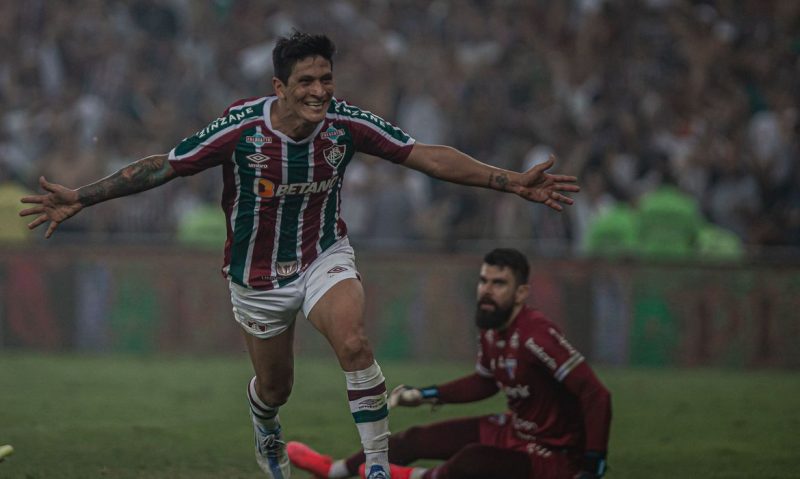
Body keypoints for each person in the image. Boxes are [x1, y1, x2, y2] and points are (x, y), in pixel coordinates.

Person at [19, 32, 580, 479]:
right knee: (276, 387)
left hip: (322, 256)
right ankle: (265, 420)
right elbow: (163, 165)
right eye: (306, 81)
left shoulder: (345, 126)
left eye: (326, 80)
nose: (319, 91)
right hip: (256, 278)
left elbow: (424, 155)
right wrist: (83, 197)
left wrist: (509, 182)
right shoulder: (240, 129)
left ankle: (377, 468)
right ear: (279, 86)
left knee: (354, 343)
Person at [288, 248, 611, 479]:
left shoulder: (537, 336)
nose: (486, 290)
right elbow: (485, 382)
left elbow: (597, 395)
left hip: (557, 454)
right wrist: (426, 395)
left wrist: (592, 465)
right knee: (413, 438)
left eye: (499, 284)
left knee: (472, 461)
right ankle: (333, 471)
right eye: (484, 280)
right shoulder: (491, 327)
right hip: (516, 430)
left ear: (521, 293)